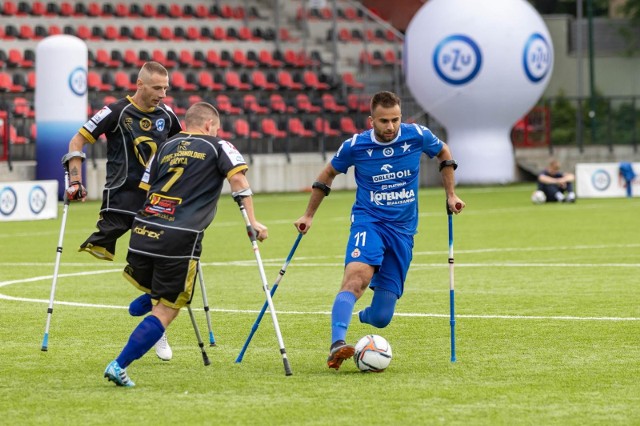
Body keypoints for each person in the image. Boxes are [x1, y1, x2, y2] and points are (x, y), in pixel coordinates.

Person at [293, 91, 464, 370]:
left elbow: (444, 152)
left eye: (395, 120)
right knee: (356, 279)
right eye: (384, 121)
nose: (391, 127)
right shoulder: (355, 146)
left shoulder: (417, 135)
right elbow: (327, 176)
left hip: (403, 231)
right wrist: (308, 215)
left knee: (382, 316)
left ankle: (356, 315)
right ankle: (337, 344)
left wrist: (451, 195)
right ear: (371, 120)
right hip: (368, 221)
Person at [104, 102, 268, 387]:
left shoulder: (164, 147)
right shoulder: (219, 146)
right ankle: (119, 365)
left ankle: (149, 296)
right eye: (215, 127)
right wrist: (252, 222)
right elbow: (239, 180)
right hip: (179, 237)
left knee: (158, 293)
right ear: (208, 125)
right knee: (168, 308)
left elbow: (144, 188)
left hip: (143, 229)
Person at [63, 61, 182, 360]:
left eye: (166, 88)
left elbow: (184, 143)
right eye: (157, 88)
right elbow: (77, 140)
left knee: (162, 257)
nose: (163, 94)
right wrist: (75, 180)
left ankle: (157, 321)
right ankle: (154, 302)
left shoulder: (167, 115)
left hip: (158, 199)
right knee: (126, 253)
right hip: (121, 199)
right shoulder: (114, 112)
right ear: (139, 84)